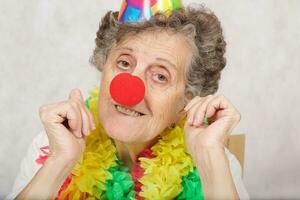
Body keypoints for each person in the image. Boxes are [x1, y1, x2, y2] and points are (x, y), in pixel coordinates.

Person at [8, 1, 249, 199]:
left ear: (186, 101)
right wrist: (60, 161)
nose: (130, 89)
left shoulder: (217, 162)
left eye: (160, 76)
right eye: (124, 63)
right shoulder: (52, 145)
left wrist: (209, 159)